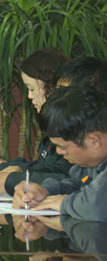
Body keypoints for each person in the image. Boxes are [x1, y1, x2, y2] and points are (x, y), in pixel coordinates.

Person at [0, 48, 70, 196]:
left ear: (51, 86)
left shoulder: (70, 124)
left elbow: (63, 175)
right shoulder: (52, 123)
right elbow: (44, 167)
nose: (29, 96)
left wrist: (10, 177)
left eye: (32, 89)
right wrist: (10, 166)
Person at [15, 85, 107, 221]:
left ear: (94, 141)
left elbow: (98, 206)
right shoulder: (90, 165)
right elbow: (75, 184)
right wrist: (45, 192)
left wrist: (64, 203)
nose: (59, 152)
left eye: (63, 147)